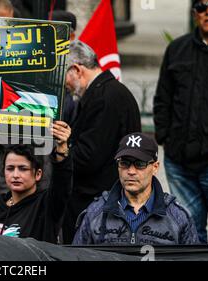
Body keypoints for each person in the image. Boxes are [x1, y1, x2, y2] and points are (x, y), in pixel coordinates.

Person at [153, 0, 208, 244]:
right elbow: (163, 97)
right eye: (203, 7)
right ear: (195, 14)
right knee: (190, 236)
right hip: (179, 161)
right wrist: (164, 136)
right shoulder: (177, 49)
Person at [61, 40, 141, 244]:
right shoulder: (104, 93)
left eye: (64, 77)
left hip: (97, 204)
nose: (65, 86)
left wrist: (64, 148)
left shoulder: (104, 98)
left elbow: (89, 157)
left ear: (77, 69)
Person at [73, 133, 199, 245]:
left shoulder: (178, 217)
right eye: (124, 163)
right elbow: (76, 257)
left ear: (155, 167)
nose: (131, 171)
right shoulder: (95, 213)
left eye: (140, 164)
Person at [0, 121, 73, 244]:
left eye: (23, 169)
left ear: (38, 174)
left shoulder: (46, 206)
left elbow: (62, 182)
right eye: (10, 168)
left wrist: (62, 149)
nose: (15, 175)